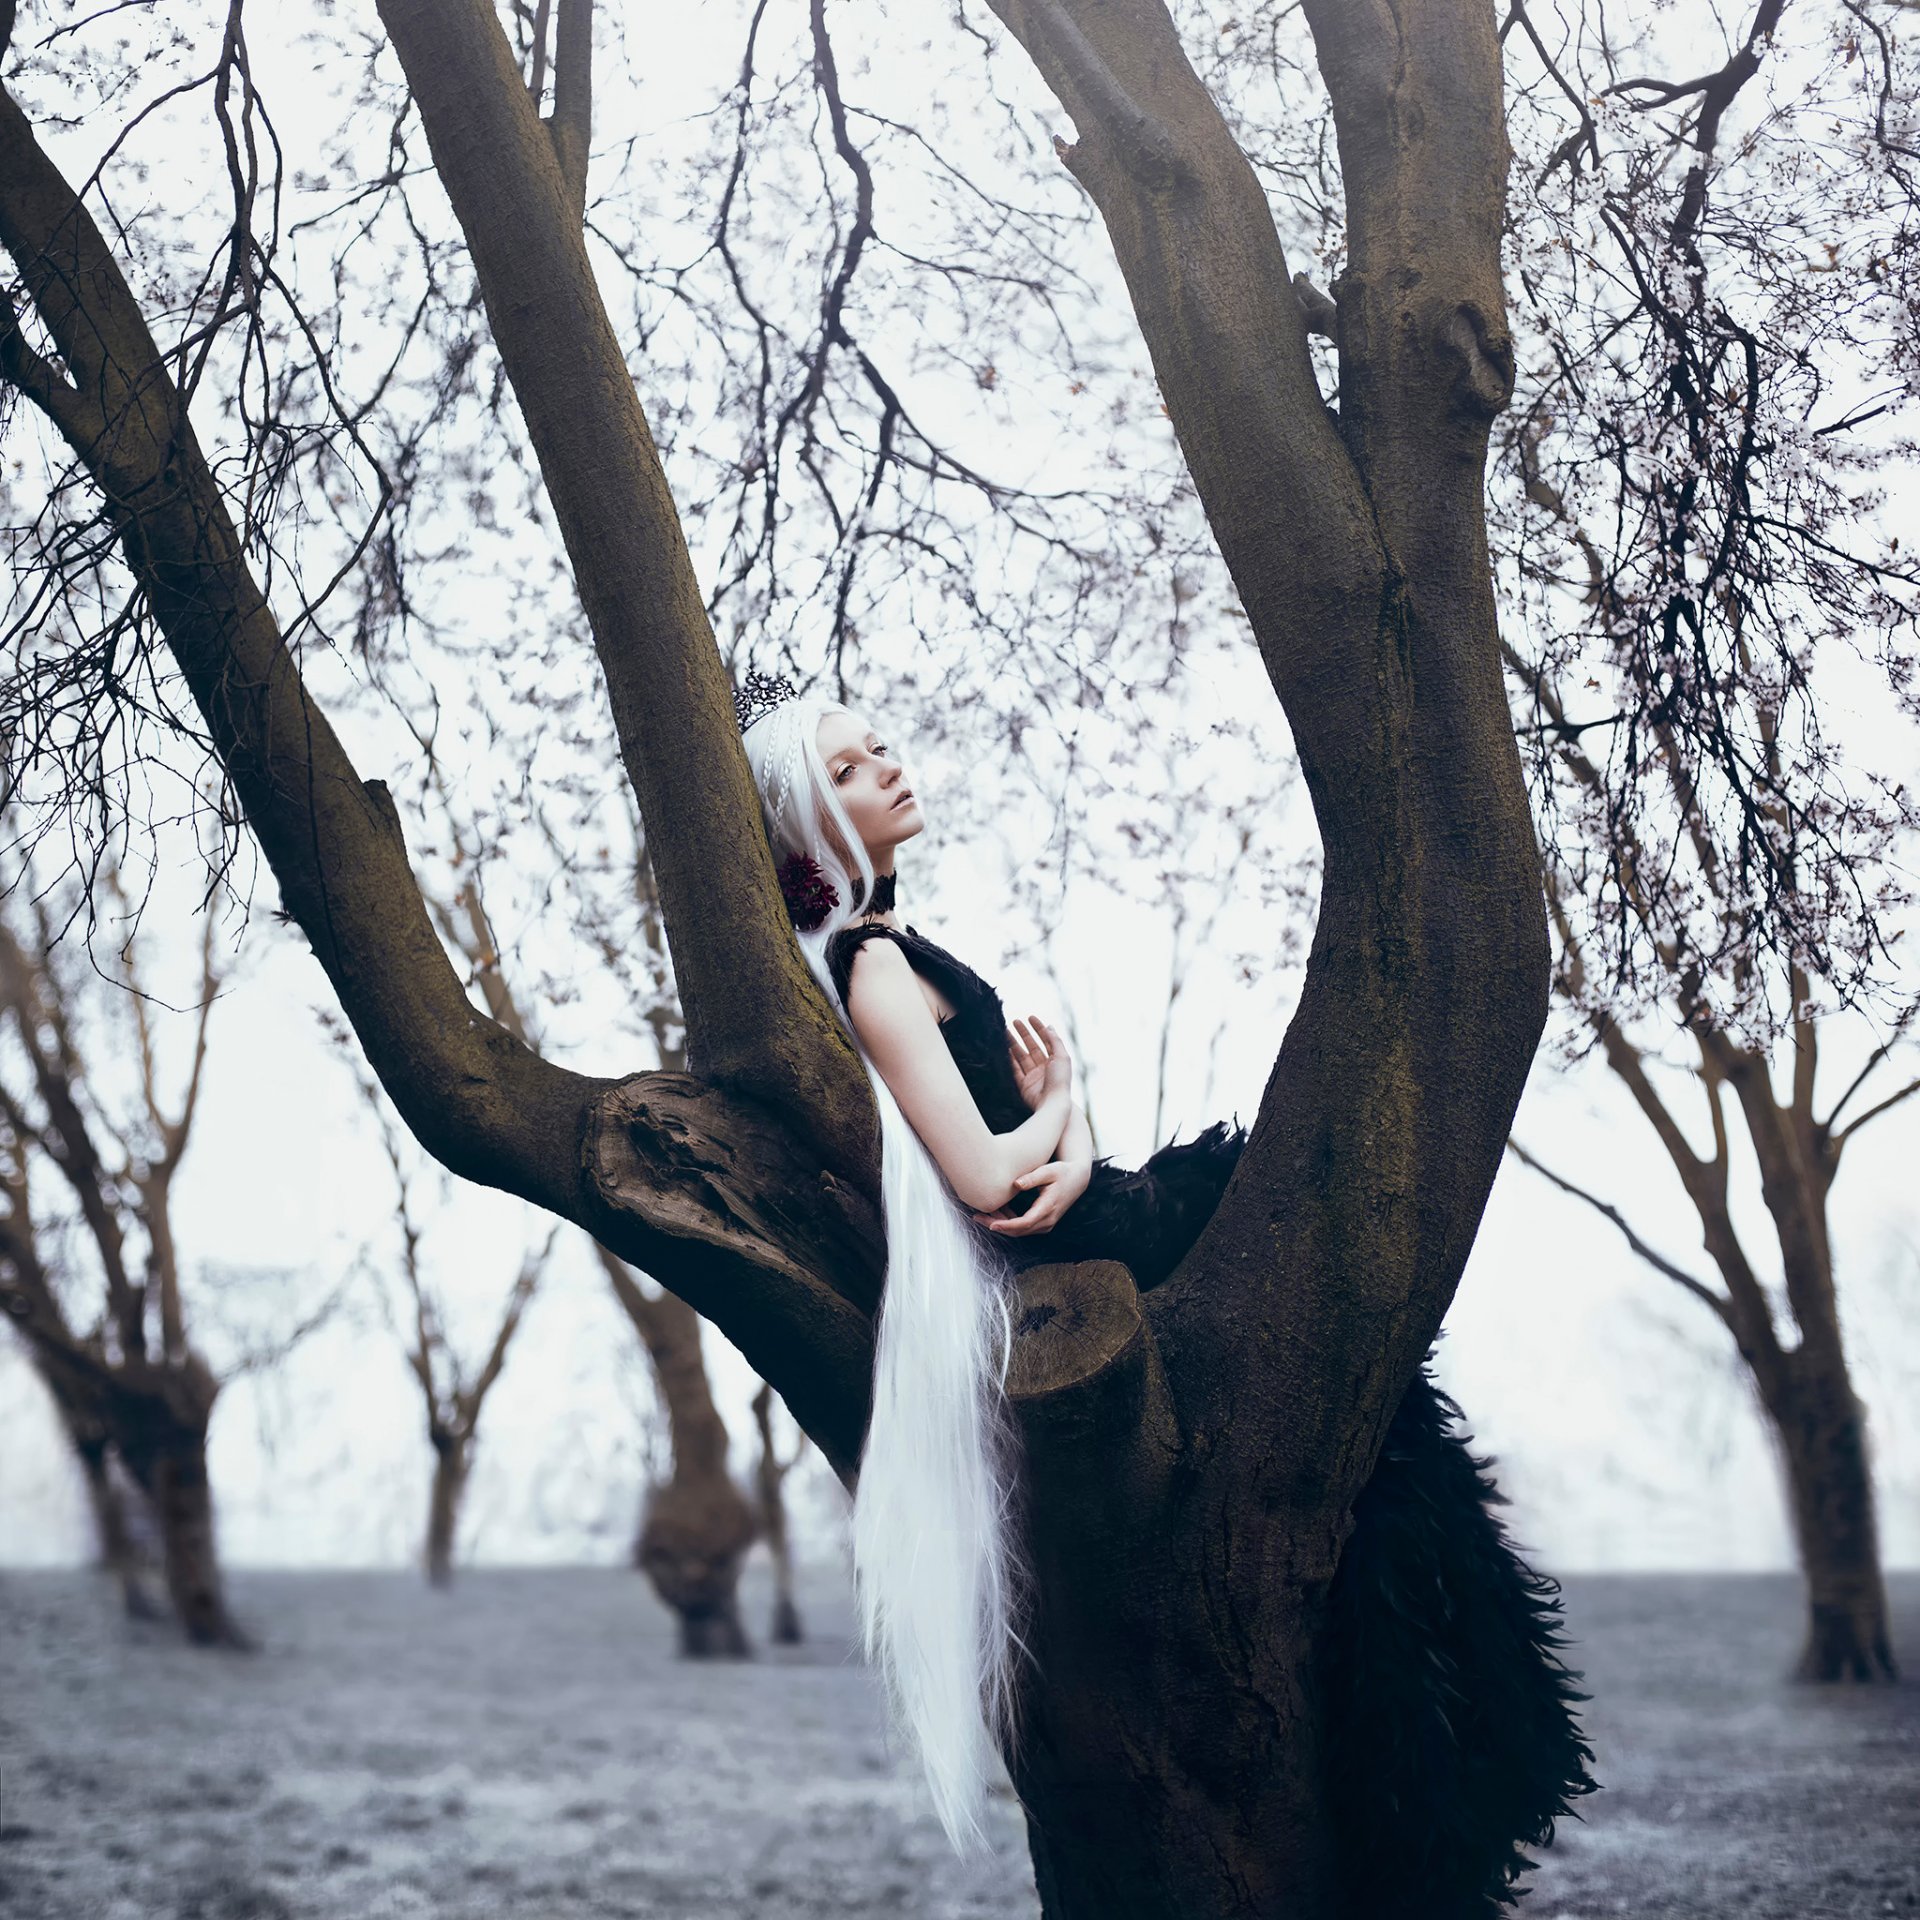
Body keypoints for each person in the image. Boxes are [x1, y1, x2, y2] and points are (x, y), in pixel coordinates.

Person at [739, 668, 1596, 1908]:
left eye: (883, 748)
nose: (890, 767)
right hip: (1070, 1234)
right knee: (1251, 1186)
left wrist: (1065, 1133)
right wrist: (1069, 1119)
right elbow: (985, 1178)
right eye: (856, 768)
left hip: (1086, 1218)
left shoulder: (888, 949)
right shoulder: (870, 965)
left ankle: (1440, 1705)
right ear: (814, 819)